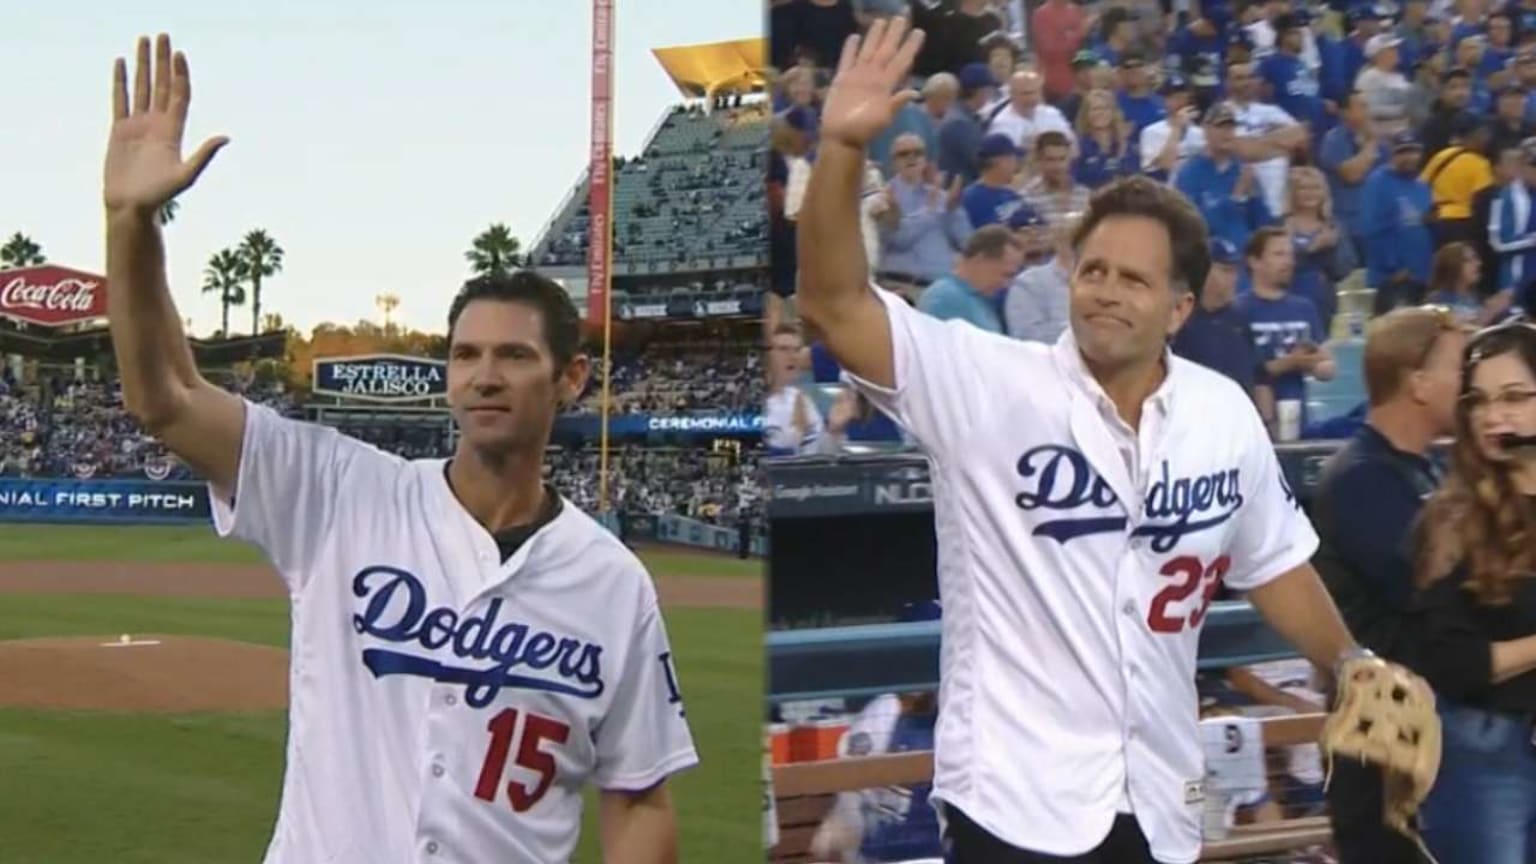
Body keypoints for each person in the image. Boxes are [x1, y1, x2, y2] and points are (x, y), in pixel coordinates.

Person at [102, 34, 696, 863]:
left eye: (515, 356)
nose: (485, 377)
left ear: (571, 378)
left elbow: (639, 799)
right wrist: (133, 224)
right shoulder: (339, 491)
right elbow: (162, 398)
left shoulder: (613, 586)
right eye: (465, 355)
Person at [798, 20, 1381, 863]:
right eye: (1093, 270)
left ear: (1179, 309)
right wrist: (843, 151)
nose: (1104, 291)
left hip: (1159, 794)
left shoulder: (1222, 415)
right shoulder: (989, 381)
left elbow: (1274, 562)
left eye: (1133, 278)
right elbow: (834, 304)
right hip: (1014, 800)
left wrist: (1349, 659)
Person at [1310, 307, 1468, 864]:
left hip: (1430, 741)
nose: (1470, 385)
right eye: (1459, 368)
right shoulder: (1360, 478)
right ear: (1418, 382)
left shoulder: (1426, 469)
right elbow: (1440, 592)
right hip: (1381, 755)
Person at [1409, 321, 1536, 864]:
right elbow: (1455, 663)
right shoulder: (1449, 520)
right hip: (1487, 755)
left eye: (1514, 397)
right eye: (1479, 401)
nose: (1494, 416)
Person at [1169, 238, 1271, 418]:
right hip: (1196, 420)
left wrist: (1266, 419)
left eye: (1235, 271)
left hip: (1239, 421)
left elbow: (1259, 375)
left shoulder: (1240, 319)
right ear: (1205, 273)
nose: (1234, 278)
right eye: (1226, 271)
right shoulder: (1180, 320)